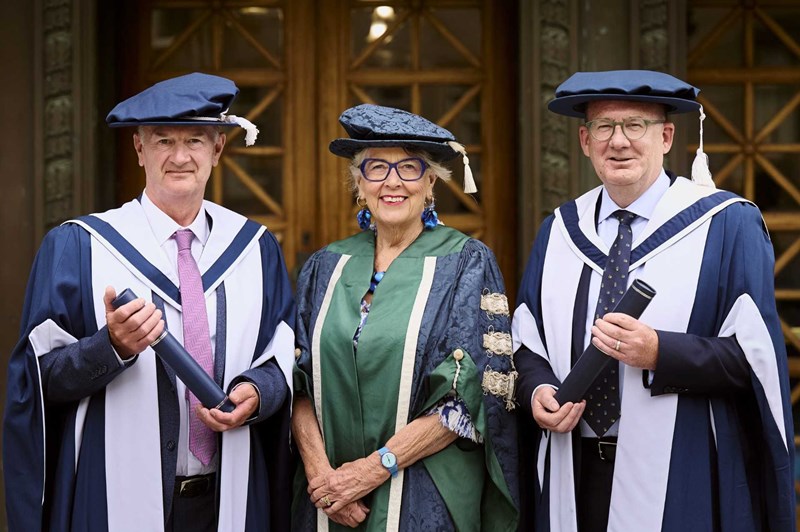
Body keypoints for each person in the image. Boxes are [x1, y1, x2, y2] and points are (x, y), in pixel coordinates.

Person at [3, 72, 295, 531]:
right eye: (162, 140)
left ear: (217, 149)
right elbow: (37, 384)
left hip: (228, 498)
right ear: (139, 149)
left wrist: (257, 393)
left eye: (195, 140)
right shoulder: (79, 248)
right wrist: (111, 347)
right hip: (111, 498)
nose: (180, 157)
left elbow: (282, 360)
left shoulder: (256, 250)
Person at [513, 70, 794, 531]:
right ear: (584, 140)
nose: (618, 142)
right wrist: (537, 390)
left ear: (666, 137)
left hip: (682, 469)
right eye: (604, 127)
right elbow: (527, 342)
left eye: (634, 126)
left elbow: (755, 361)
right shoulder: (560, 230)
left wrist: (662, 352)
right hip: (573, 467)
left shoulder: (725, 226)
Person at [291, 104, 519, 531]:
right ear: (359, 184)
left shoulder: (464, 263)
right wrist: (324, 478)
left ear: (431, 182)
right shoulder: (325, 266)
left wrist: (372, 471)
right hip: (327, 498)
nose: (392, 182)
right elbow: (297, 382)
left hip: (422, 495)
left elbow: (465, 400)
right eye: (376, 168)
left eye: (409, 168)